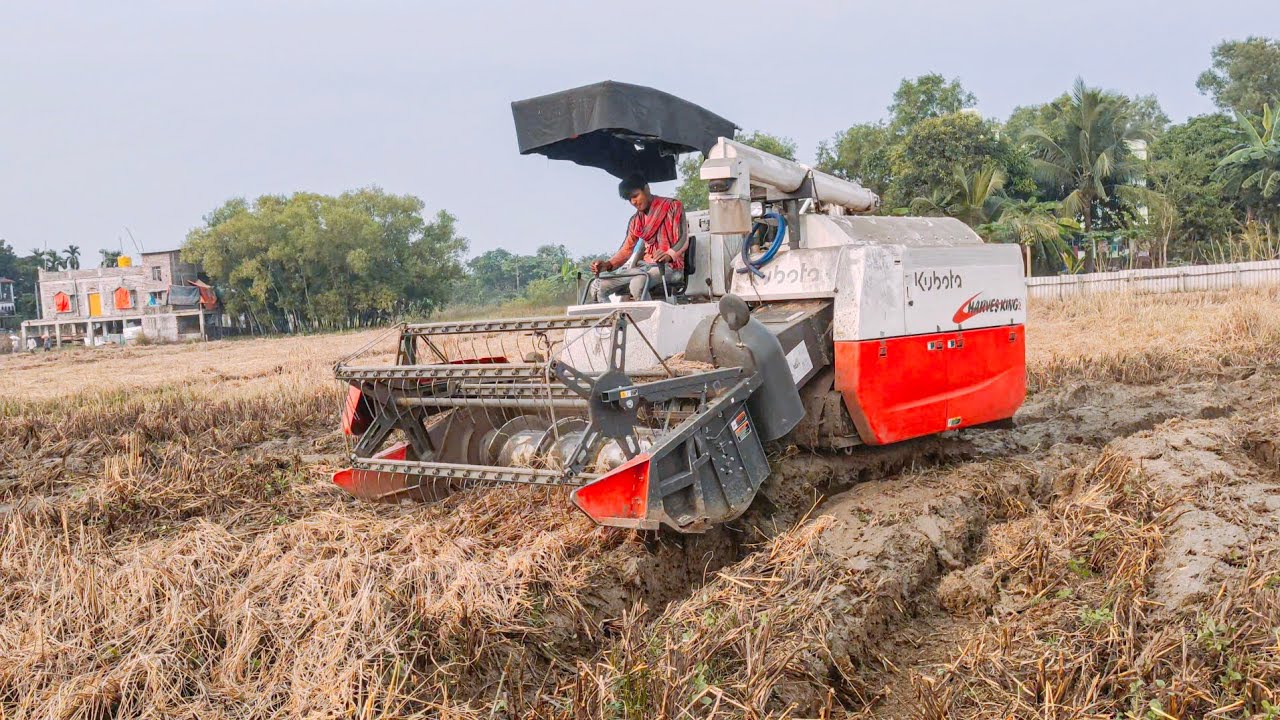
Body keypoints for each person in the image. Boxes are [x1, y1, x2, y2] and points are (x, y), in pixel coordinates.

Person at [590, 173, 687, 302]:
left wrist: (669, 255)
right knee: (599, 288)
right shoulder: (635, 221)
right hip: (643, 268)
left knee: (637, 284)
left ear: (646, 189)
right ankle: (617, 320)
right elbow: (626, 250)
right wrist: (607, 265)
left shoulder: (673, 206)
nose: (633, 202)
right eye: (630, 199)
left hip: (668, 267)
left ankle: (650, 321)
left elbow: (684, 238)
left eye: (635, 196)